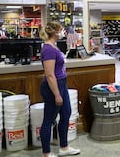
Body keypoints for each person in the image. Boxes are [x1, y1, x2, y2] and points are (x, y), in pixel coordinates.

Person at [39, 21, 80, 157]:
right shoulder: (48, 49)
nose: (64, 32)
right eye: (62, 30)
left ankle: (64, 147)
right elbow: (50, 75)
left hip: (62, 83)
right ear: (55, 32)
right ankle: (46, 153)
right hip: (53, 86)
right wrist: (57, 94)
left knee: (66, 114)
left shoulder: (54, 47)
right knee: (49, 120)